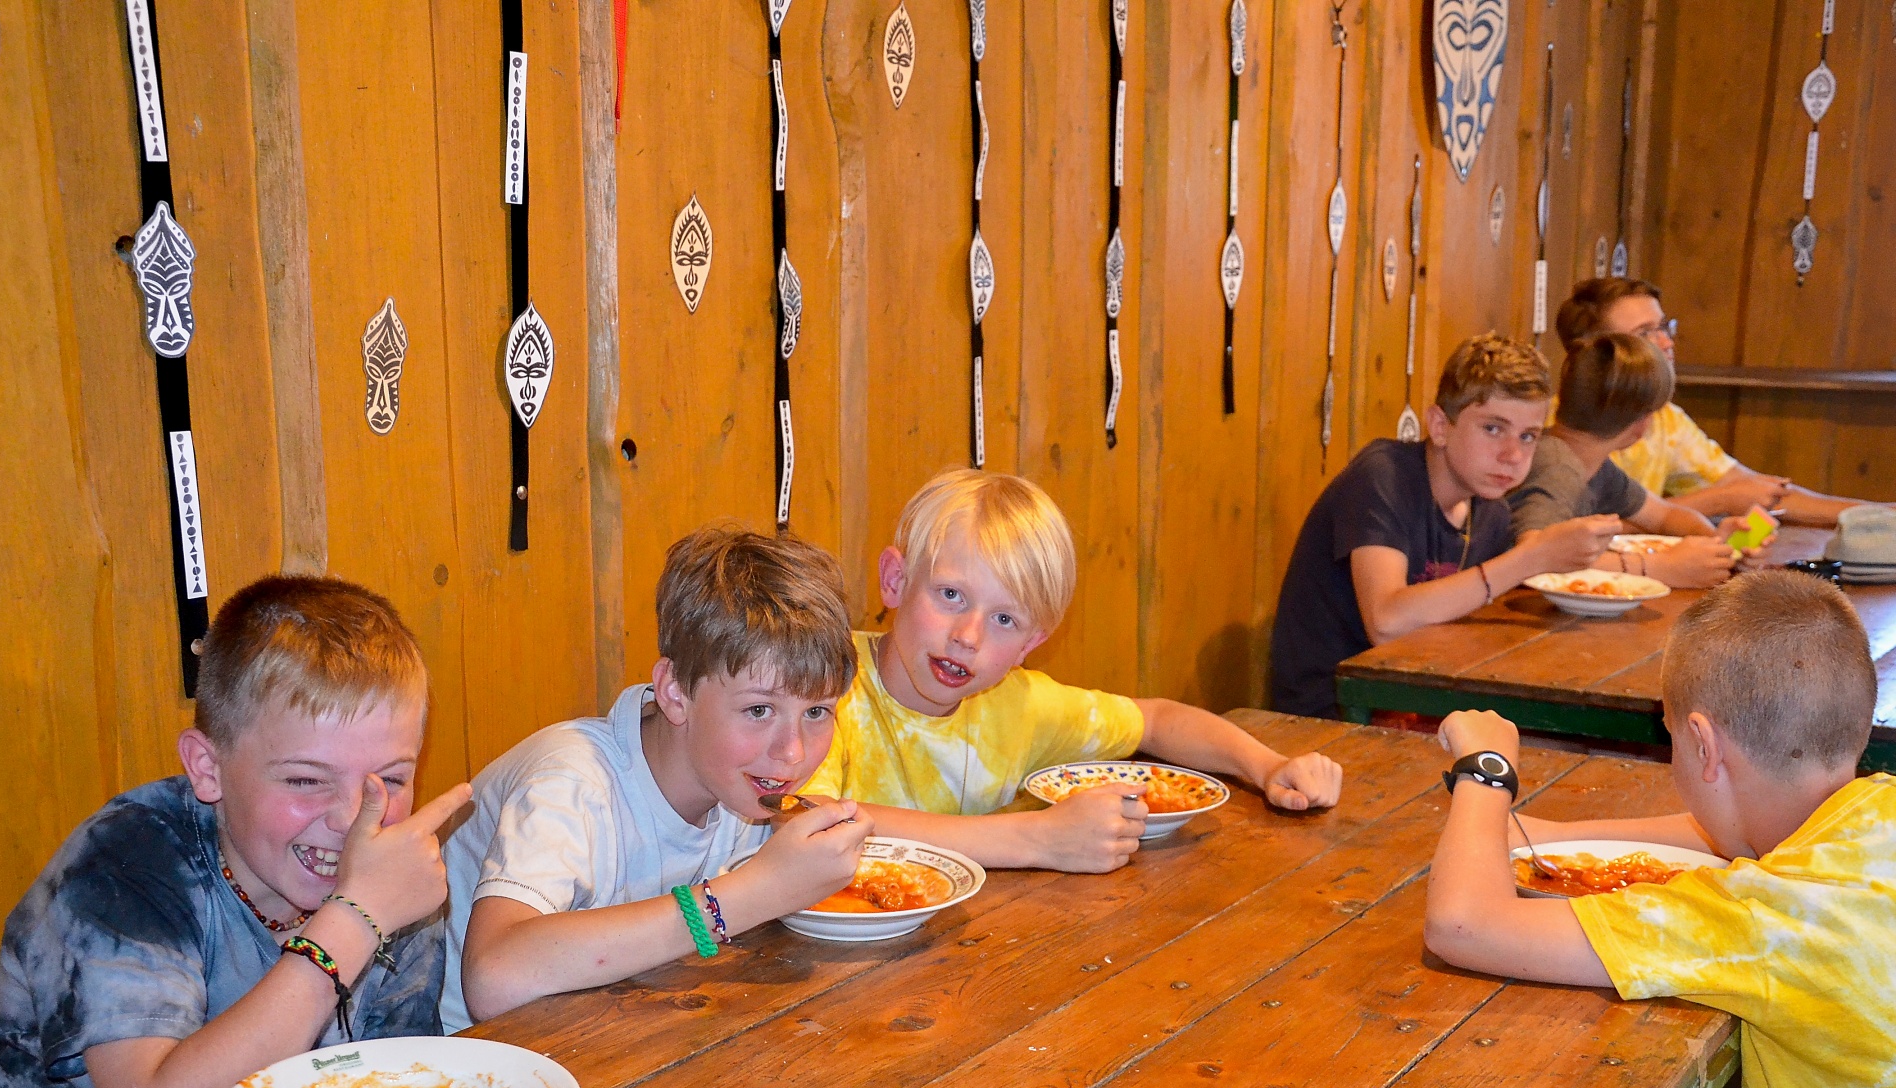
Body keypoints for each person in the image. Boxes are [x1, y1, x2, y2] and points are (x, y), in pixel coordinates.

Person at [0, 577, 470, 1088]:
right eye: (305, 780)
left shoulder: (393, 879)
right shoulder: (129, 861)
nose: (353, 819)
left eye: (391, 780)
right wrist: (353, 920)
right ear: (207, 768)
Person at [1424, 570, 1893, 1088]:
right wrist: (1543, 831)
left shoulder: (1766, 915)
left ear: (1702, 744)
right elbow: (1734, 829)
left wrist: (1486, 773)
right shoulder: (1869, 815)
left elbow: (1461, 924)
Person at [797, 470, 1343, 876]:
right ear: (895, 580)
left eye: (1005, 619)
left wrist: (1268, 766)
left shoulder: (1019, 705)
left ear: (1031, 644)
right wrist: (1035, 838)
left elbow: (1157, 720)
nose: (968, 635)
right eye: (950, 595)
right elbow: (809, 819)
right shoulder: (821, 683)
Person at [448, 527, 870, 1028]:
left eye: (817, 712)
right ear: (674, 693)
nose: (793, 751)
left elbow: (843, 828)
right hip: (491, 1058)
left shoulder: (740, 781)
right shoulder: (572, 783)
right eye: (759, 710)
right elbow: (493, 979)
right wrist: (753, 893)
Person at [1268, 332, 1621, 718]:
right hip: (1331, 713)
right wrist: (1529, 558)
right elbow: (1385, 622)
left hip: (1416, 698)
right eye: (1493, 428)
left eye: (1528, 436)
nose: (1513, 454)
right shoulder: (1383, 476)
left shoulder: (1491, 512)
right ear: (1439, 426)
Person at [1556, 277, 1888, 526]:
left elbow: (1752, 489)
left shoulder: (1666, 418)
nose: (1667, 343)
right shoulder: (1562, 425)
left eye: (1664, 327)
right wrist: (1719, 501)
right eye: (1645, 333)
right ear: (1596, 350)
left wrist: (1879, 515)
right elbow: (1576, 532)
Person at [1507, 332, 1747, 589]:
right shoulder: (1557, 468)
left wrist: (1715, 544)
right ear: (1641, 425)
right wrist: (1658, 567)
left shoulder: (1597, 468)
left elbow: (1665, 515)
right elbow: (1534, 554)